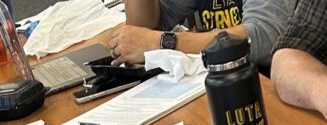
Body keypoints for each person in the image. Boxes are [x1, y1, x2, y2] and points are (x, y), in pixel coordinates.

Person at [110, 0, 296, 72]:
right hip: (216, 81)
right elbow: (144, 29)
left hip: (267, 87)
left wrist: (163, 42)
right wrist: (150, 40)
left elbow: (264, 38)